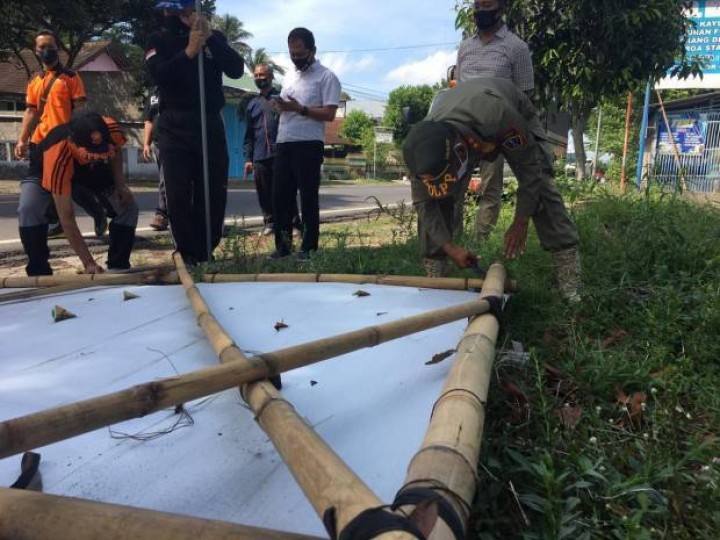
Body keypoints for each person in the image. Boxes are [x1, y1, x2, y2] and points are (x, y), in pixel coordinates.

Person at [402, 77, 581, 302]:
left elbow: (529, 172)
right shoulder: (419, 149)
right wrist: (449, 248)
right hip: (465, 126)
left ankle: (569, 284)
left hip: (507, 110)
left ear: (460, 151)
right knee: (437, 200)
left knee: (541, 183)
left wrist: (521, 220)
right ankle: (437, 277)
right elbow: (424, 205)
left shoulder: (499, 116)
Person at [146, 0, 244, 265]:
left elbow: (236, 70)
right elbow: (159, 75)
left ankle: (205, 248)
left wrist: (209, 39)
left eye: (184, 10)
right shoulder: (158, 39)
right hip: (175, 122)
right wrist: (189, 51)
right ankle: (187, 251)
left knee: (212, 188)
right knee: (177, 192)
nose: (178, 16)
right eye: (172, 11)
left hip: (209, 121)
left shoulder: (213, 39)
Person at [17, 110, 138, 275]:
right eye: (92, 153)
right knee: (29, 209)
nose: (97, 156)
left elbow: (115, 153)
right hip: (46, 170)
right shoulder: (57, 154)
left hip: (89, 170)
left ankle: (118, 265)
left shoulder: (110, 128)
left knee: (128, 207)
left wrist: (120, 184)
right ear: (73, 142)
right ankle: (39, 271)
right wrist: (88, 263)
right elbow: (66, 218)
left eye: (101, 151)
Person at [15, 29, 108, 240]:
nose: (47, 51)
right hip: (40, 142)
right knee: (43, 183)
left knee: (72, 183)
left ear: (57, 49)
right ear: (36, 51)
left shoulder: (71, 78)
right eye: (42, 47)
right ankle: (55, 222)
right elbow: (30, 111)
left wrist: (79, 140)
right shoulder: (33, 81)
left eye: (51, 47)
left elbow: (80, 110)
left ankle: (97, 212)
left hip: (65, 141)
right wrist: (22, 139)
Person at [456, 0, 534, 241]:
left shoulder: (516, 48)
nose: (480, 11)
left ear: (501, 9)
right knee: (454, 188)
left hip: (497, 131)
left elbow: (524, 94)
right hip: (464, 128)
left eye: (487, 6)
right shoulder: (465, 48)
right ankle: (453, 243)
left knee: (490, 188)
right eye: (477, 6)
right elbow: (459, 87)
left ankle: (479, 243)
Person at [269, 27, 341, 262]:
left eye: (300, 54)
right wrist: (281, 106)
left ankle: (308, 248)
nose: (296, 59)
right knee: (281, 197)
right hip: (284, 141)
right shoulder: (289, 76)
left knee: (308, 197)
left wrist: (299, 108)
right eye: (292, 54)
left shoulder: (326, 77)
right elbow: (288, 105)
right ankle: (283, 247)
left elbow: (330, 114)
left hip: (309, 144)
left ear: (312, 51)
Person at [243, 64, 300, 237]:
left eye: (263, 75)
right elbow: (249, 135)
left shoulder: (281, 99)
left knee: (286, 191)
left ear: (271, 76)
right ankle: (270, 223)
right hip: (260, 156)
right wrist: (248, 158)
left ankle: (295, 224)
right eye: (257, 75)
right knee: (264, 192)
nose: (260, 78)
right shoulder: (252, 104)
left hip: (280, 154)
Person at [142, 90, 169, 231]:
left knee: (165, 179)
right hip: (158, 143)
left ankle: (161, 214)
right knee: (164, 178)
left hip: (175, 141)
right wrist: (146, 143)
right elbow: (148, 120)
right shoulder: (153, 94)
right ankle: (166, 213)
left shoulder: (176, 87)